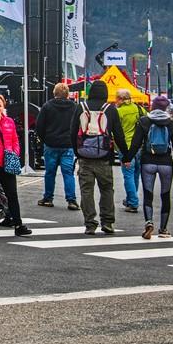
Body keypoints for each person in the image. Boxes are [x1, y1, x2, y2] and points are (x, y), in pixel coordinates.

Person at [129, 95, 173, 239]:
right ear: (166, 108)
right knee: (165, 195)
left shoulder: (144, 121)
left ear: (153, 106)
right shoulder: (171, 124)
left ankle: (149, 222)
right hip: (166, 163)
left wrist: (127, 158)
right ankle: (163, 229)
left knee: (148, 194)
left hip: (147, 161)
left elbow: (136, 144)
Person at [0, 92, 33, 236]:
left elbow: (15, 139)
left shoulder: (9, 121)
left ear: (3, 106)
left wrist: (14, 152)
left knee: (12, 194)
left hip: (7, 162)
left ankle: (18, 224)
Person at [74, 80, 124, 235]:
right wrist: (126, 154)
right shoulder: (111, 109)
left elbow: (72, 131)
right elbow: (119, 134)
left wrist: (77, 152)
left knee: (86, 190)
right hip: (104, 157)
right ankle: (107, 222)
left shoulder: (80, 107)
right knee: (107, 189)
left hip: (84, 156)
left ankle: (90, 223)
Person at [34, 83, 80, 210]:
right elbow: (78, 126)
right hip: (67, 145)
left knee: (50, 173)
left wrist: (45, 139)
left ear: (54, 93)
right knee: (68, 173)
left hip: (51, 144)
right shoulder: (75, 107)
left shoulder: (47, 106)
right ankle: (71, 200)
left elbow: (39, 126)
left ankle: (48, 198)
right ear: (67, 94)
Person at [114, 89, 145, 213]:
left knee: (128, 175)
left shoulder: (119, 112)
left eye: (117, 98)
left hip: (125, 147)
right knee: (135, 174)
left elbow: (115, 131)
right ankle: (131, 198)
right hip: (139, 147)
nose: (115, 101)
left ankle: (132, 202)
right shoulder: (140, 109)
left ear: (121, 99)